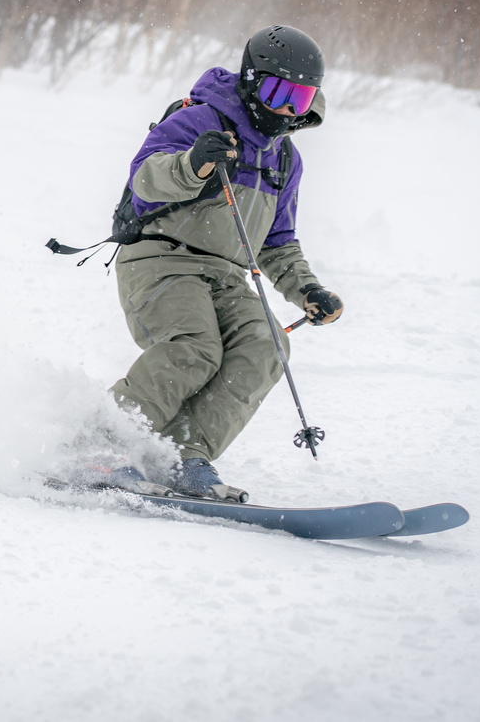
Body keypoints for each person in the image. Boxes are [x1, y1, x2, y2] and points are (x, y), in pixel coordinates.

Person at [104, 25, 344, 501]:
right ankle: (104, 445)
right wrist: (193, 165)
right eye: (278, 93)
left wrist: (307, 290)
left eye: (301, 98)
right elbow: (144, 180)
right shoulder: (200, 121)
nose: (288, 110)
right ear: (253, 82)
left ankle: (182, 454)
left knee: (267, 345)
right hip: (160, 256)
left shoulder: (284, 160)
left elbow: (277, 240)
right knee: (195, 345)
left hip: (225, 272)